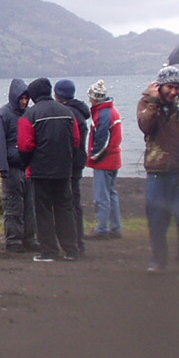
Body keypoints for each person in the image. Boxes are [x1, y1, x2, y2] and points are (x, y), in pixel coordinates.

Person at [137, 66, 179, 274]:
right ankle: (159, 260)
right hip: (157, 170)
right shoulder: (146, 102)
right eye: (169, 87)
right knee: (157, 218)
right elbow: (145, 126)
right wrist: (154, 102)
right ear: (159, 86)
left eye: (177, 88)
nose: (173, 92)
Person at [18, 77, 80, 261]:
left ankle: (49, 251)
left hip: (41, 170)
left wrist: (26, 163)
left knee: (43, 211)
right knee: (65, 209)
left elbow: (25, 145)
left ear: (33, 95)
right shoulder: (67, 112)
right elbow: (76, 140)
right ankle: (71, 249)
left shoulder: (29, 115)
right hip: (64, 169)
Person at [0, 79, 36, 253]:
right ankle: (14, 240)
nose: (24, 101)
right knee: (13, 206)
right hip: (12, 168)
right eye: (22, 98)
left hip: (27, 167)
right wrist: (3, 168)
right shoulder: (3, 114)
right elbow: (0, 142)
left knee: (30, 206)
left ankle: (29, 238)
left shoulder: (29, 113)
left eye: (26, 98)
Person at [54, 79, 89, 259]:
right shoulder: (79, 112)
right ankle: (78, 241)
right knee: (74, 202)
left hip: (70, 162)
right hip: (78, 160)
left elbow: (71, 140)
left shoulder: (69, 114)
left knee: (69, 203)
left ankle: (74, 241)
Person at [86, 80, 122, 240]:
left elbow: (102, 139)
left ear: (95, 98)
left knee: (101, 196)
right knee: (112, 193)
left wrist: (93, 156)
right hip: (113, 158)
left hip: (104, 160)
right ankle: (116, 227)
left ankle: (102, 228)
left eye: (91, 97)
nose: (89, 99)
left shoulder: (103, 114)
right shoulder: (111, 111)